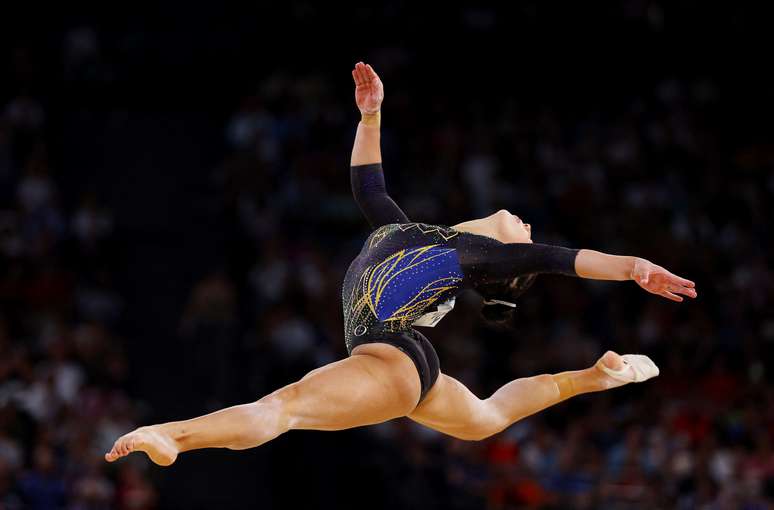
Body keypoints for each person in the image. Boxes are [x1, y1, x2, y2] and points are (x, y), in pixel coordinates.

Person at [104, 62, 697, 466]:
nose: (524, 222)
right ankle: (595, 377)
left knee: (282, 409)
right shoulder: (410, 232)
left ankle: (172, 435)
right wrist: (371, 116)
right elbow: (368, 186)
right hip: (403, 363)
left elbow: (561, 259)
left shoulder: (477, 254)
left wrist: (633, 267)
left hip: (388, 356)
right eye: (526, 227)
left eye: (524, 233)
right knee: (487, 417)